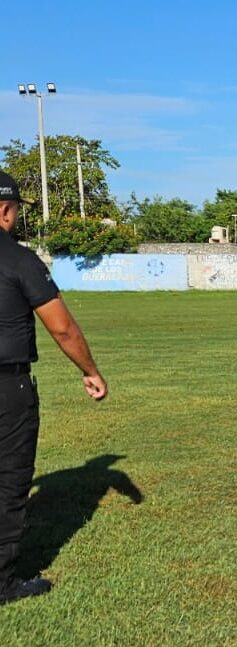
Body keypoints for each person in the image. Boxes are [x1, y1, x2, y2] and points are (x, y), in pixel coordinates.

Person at [0, 170, 107, 606]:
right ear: (6, 211)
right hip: (8, 387)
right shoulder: (20, 260)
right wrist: (91, 370)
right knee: (8, 481)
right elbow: (61, 328)